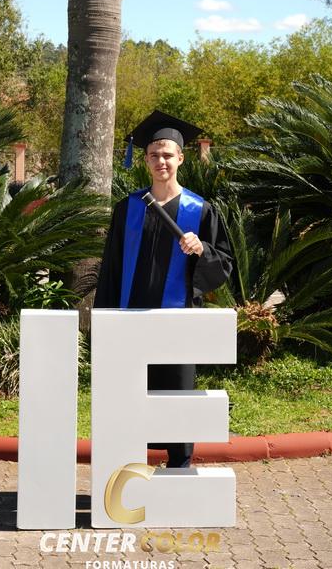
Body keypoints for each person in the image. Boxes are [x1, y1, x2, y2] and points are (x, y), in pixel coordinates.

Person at [94, 110, 233, 468]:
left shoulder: (200, 210)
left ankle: (179, 465)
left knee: (176, 392)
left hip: (177, 321)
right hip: (131, 318)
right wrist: (104, 318)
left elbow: (224, 264)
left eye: (168, 154)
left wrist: (201, 250)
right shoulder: (128, 209)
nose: (161, 161)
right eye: (154, 154)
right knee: (131, 392)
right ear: (145, 160)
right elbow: (111, 267)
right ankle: (128, 468)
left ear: (181, 159)